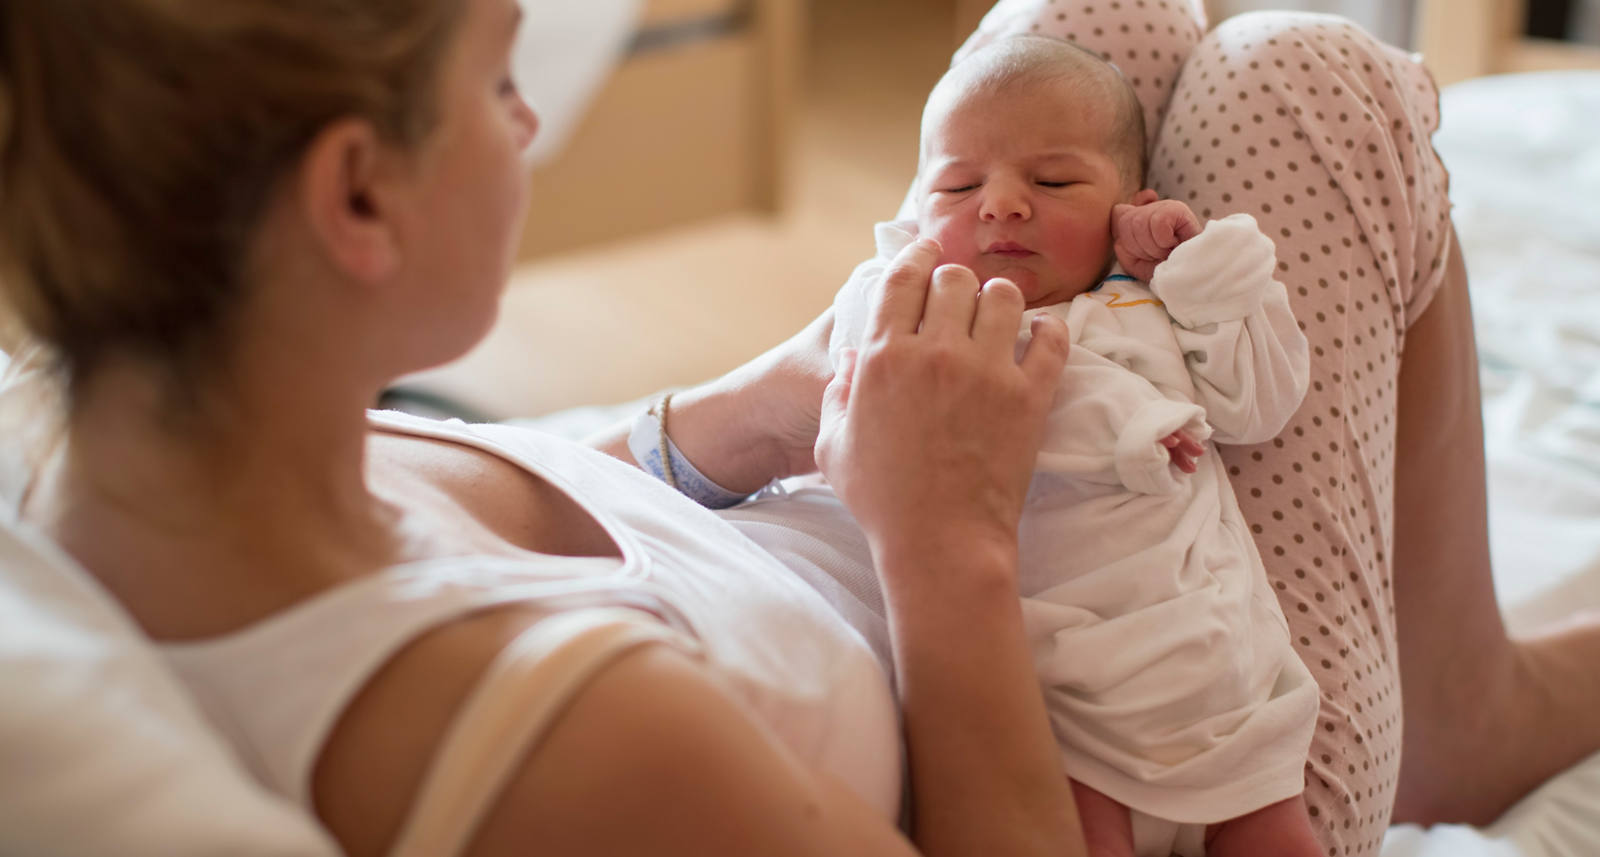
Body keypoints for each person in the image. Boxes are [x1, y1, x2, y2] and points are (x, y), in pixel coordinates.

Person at [0, 2, 1596, 857]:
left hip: (912, 459)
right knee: (1310, 83)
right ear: (360, 193)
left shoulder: (98, 446)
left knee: (1086, 29)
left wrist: (767, 406)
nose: (531, 121)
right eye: (496, 85)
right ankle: (1451, 709)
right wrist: (947, 542)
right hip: (1142, 703)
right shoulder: (577, 748)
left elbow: (586, 503)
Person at [820, 35, 1323, 857]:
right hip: (1067, 698)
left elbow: (1262, 404)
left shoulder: (1148, 305)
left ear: (1129, 204)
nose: (1002, 205)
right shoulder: (937, 323)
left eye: (1053, 182)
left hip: (1221, 682)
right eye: (958, 184)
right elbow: (884, 404)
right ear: (916, 210)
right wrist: (1133, 433)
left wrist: (1197, 265)